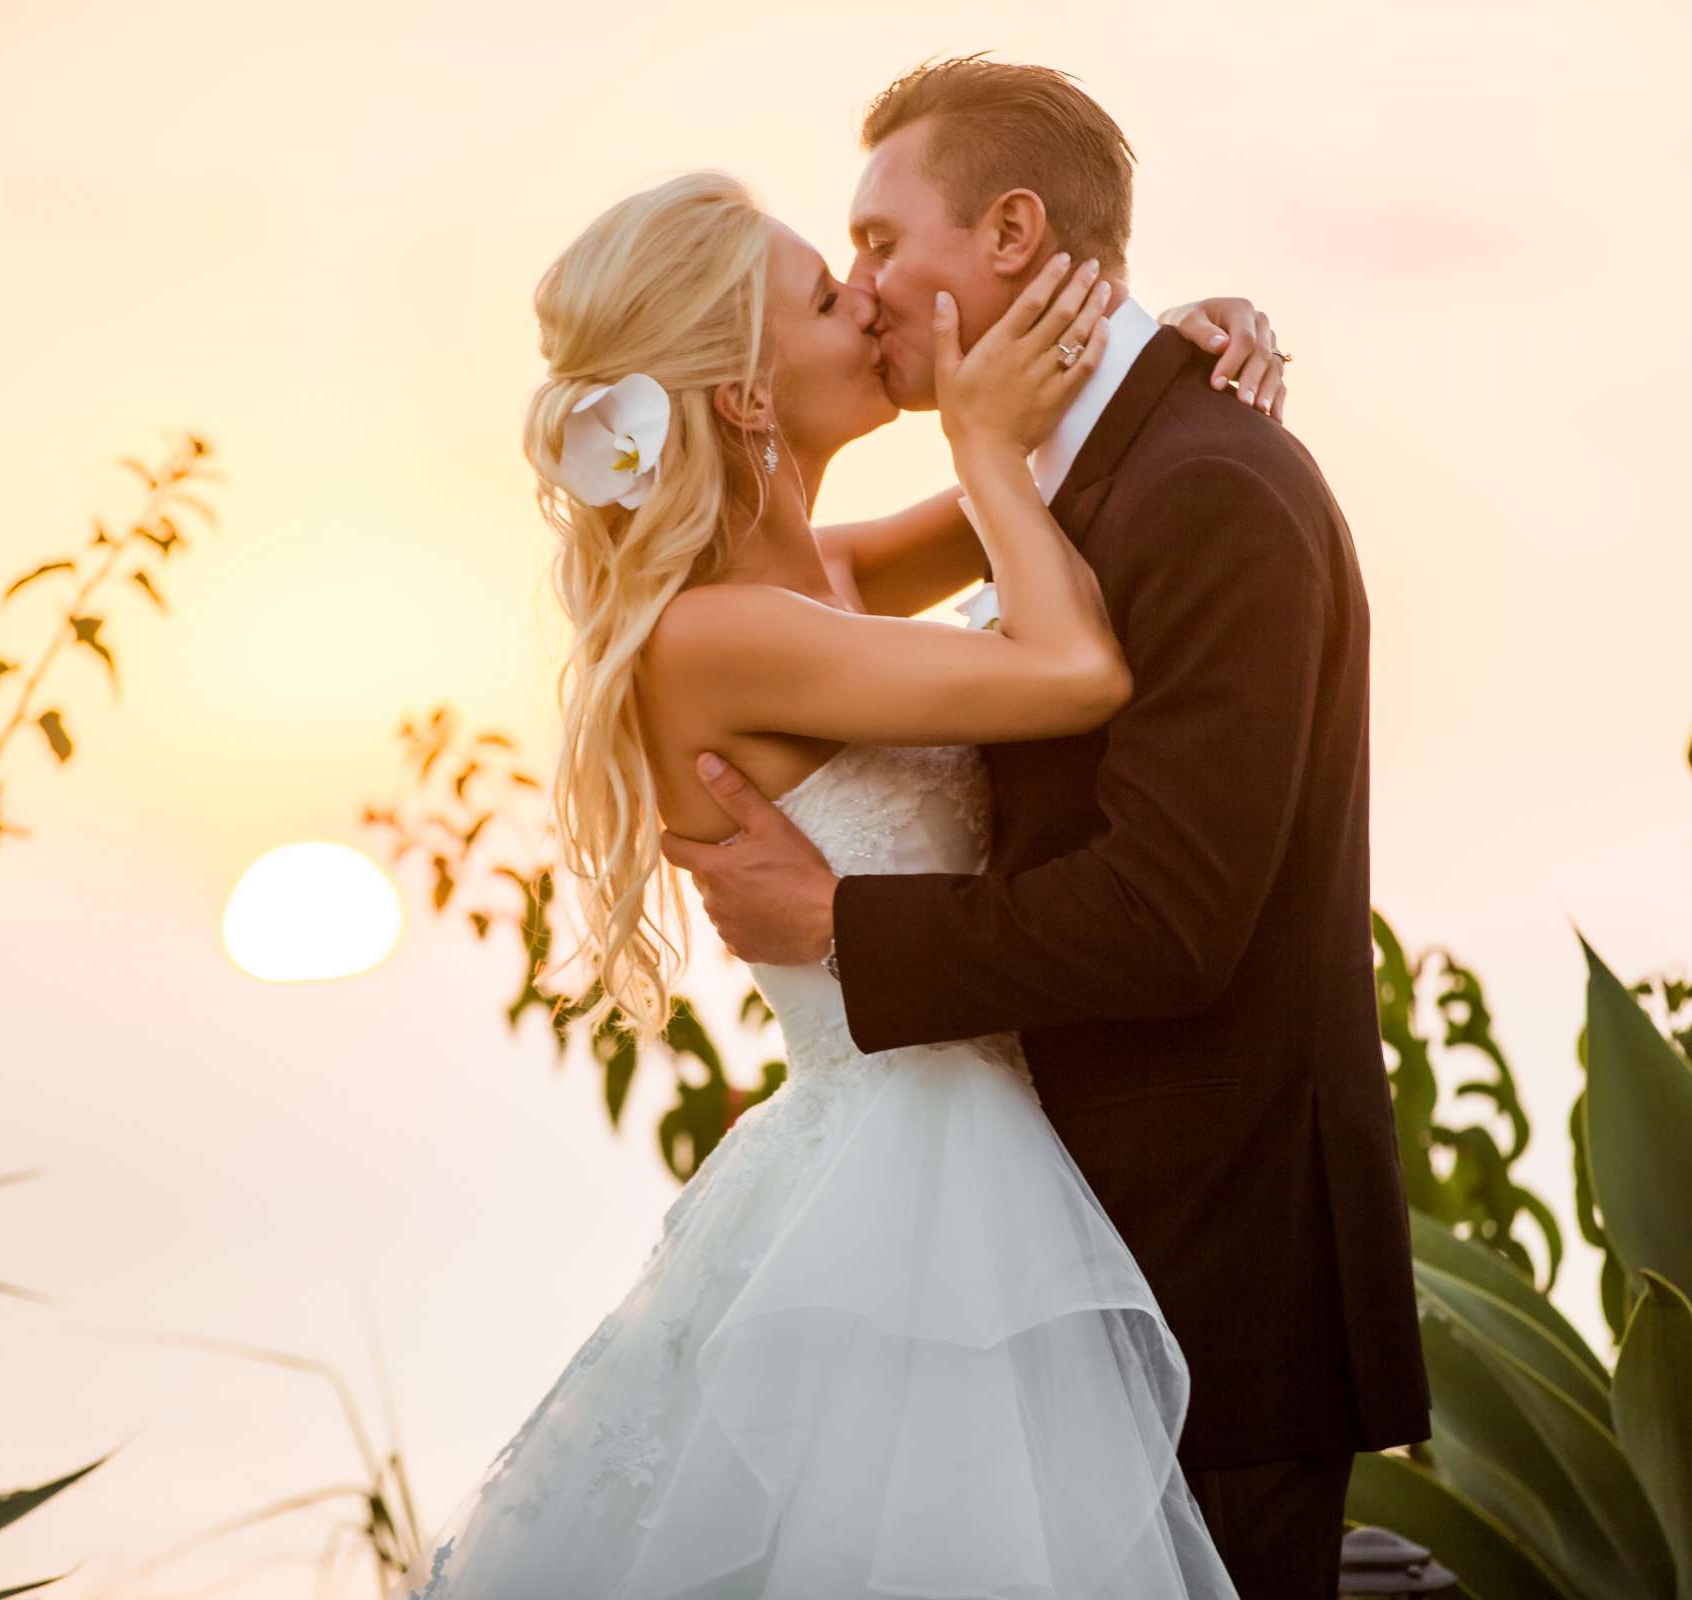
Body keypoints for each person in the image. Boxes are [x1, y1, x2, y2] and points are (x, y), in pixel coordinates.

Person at [398, 161, 1292, 1598]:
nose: (867, 299)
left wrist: (1169, 342)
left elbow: (1078, 473)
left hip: (975, 1142)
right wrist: (992, 459)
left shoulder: (825, 573)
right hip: (913, 1181)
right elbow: (1073, 669)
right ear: (747, 396)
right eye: (827, 296)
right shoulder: (716, 636)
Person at [663, 58, 1433, 1600]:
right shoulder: (1072, 478)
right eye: (845, 269)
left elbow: (1171, 916)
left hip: (1212, 1284)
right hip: (1028, 1266)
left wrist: (837, 930)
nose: (867, 293)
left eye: (879, 245)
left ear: (1013, 232)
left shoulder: (1203, 487)